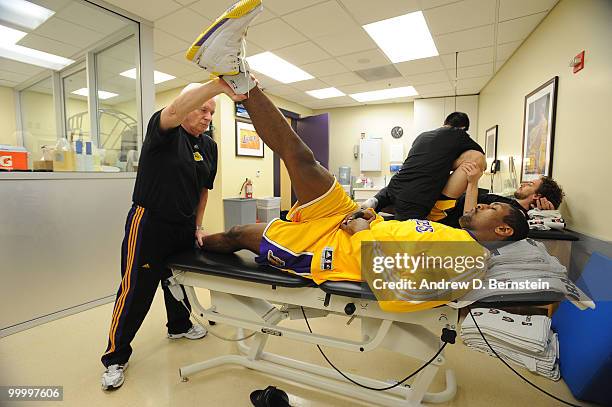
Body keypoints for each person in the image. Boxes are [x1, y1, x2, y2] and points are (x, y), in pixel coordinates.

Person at [184, 0, 529, 309]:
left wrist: (363, 231)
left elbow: (398, 293)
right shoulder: (457, 235)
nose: (484, 205)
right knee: (303, 160)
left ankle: (193, 244)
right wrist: (372, 215)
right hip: (354, 218)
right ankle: (234, 71)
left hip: (334, 250)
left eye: (493, 208)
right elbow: (416, 232)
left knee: (238, 233)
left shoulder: (469, 262)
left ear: (502, 231)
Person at [100, 79, 246, 390]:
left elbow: (203, 191)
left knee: (177, 279)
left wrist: (197, 225)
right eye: (203, 109)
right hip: (149, 223)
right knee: (136, 290)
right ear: (186, 106)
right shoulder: (164, 131)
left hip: (183, 226)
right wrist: (219, 85)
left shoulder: (209, 147)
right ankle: (115, 356)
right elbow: (176, 109)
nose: (208, 117)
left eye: (212, 113)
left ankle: (178, 325)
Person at [362, 112, 486, 221]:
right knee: (404, 233)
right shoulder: (459, 134)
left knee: (389, 198)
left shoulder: (422, 135)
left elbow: (423, 162)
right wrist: (452, 165)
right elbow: (482, 161)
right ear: (463, 128)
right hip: (414, 197)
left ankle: (376, 200)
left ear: (444, 123)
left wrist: (445, 164)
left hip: (394, 185)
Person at [432, 175, 564, 228]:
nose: (523, 184)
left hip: (443, 216)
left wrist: (473, 182)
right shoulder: (511, 202)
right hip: (445, 205)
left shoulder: (512, 213)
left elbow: (470, 219)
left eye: (530, 184)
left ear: (537, 196)